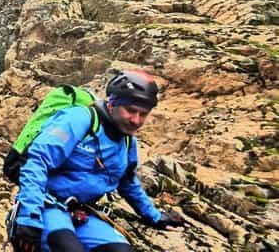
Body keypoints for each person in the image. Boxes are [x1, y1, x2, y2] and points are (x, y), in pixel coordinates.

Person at [10, 70, 186, 252]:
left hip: (82, 212)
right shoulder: (79, 120)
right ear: (112, 103)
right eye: (131, 110)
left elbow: (128, 182)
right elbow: (38, 161)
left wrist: (154, 216)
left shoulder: (126, 141)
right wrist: (29, 217)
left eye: (143, 114)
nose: (136, 120)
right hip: (46, 206)